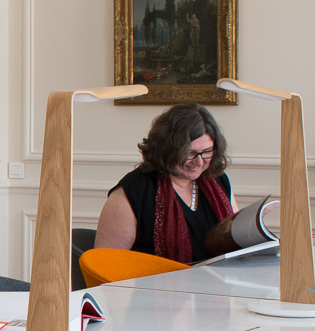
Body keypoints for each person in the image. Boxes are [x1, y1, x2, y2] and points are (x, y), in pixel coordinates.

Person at [93, 104, 235, 264]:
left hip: (214, 285)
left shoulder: (218, 181)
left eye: (207, 151)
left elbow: (234, 237)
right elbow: (105, 265)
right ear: (167, 149)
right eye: (190, 153)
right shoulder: (135, 190)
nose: (199, 161)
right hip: (148, 286)